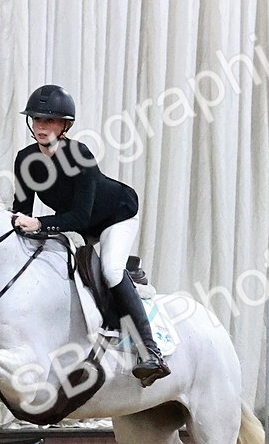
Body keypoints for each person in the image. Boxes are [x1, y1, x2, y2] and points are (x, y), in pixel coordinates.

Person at [11, 84, 170, 387]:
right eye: (36, 120)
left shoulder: (79, 155)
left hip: (115, 216)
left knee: (110, 270)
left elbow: (79, 217)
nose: (40, 127)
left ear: (65, 126)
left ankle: (151, 351)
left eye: (49, 121)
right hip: (78, 225)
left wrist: (38, 223)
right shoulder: (24, 160)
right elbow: (21, 211)